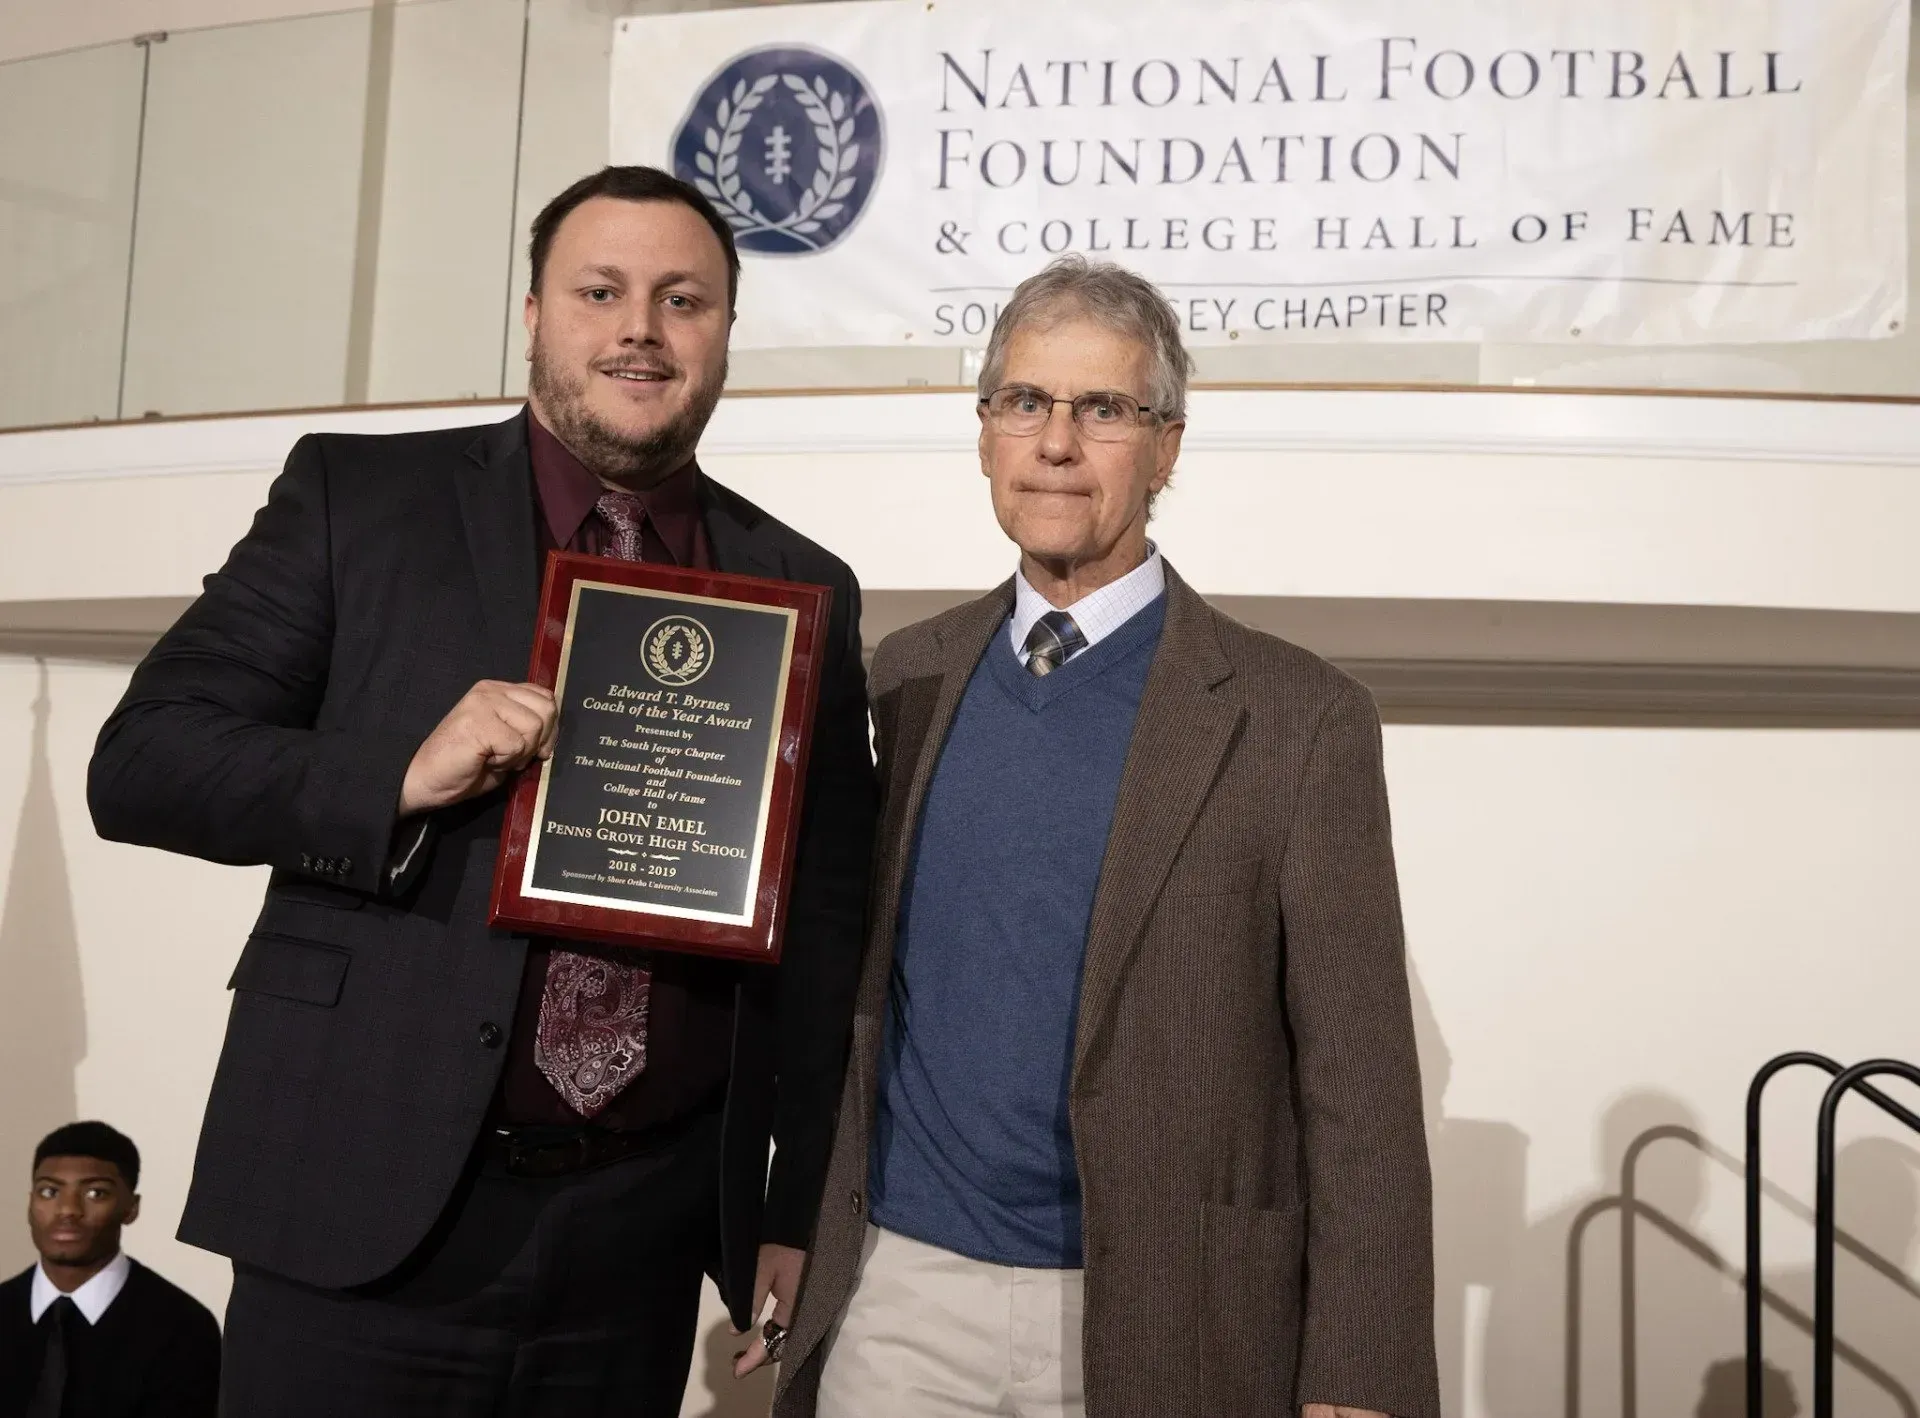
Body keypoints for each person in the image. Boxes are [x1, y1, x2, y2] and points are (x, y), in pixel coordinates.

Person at [86, 166, 877, 1414]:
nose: (640, 329)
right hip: (360, 1195)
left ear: (726, 330)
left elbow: (827, 933)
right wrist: (397, 772)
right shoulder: (360, 500)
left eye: (684, 300)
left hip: (642, 1233)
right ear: (531, 312)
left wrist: (795, 1203)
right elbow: (143, 760)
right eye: (600, 290)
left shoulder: (800, 585)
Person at [770, 256, 1439, 1418]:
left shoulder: (1299, 717)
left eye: (1105, 409)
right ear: (984, 434)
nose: (1058, 442)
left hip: (1167, 1310)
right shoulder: (906, 674)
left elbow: (1360, 1078)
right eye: (1025, 402)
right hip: (909, 1297)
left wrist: (1361, 1367)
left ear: (1168, 445)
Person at [1, 1122, 220, 1417]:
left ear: (131, 1207)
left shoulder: (183, 1328)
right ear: (30, 1203)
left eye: (95, 1193)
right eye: (50, 1191)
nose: (68, 1210)